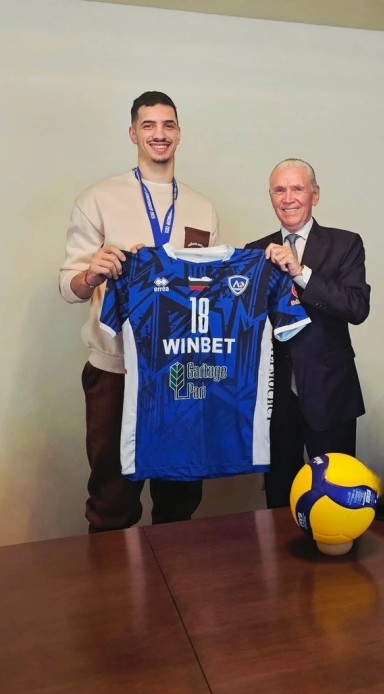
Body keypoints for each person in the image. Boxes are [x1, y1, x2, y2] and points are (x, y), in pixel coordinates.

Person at [59, 91, 219, 531]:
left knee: (179, 495)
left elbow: (208, 290)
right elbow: (68, 287)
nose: (159, 134)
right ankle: (113, 576)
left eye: (168, 125)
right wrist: (92, 273)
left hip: (180, 371)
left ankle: (173, 576)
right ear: (133, 133)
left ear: (179, 133)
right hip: (117, 370)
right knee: (112, 497)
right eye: (149, 125)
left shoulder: (202, 207)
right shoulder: (97, 198)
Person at [245, 158, 370, 508]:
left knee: (338, 496)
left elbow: (356, 308)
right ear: (271, 196)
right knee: (279, 496)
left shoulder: (345, 244)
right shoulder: (254, 252)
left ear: (315, 195)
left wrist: (301, 274)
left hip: (331, 391)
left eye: (297, 189)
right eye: (279, 190)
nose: (288, 198)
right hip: (274, 397)